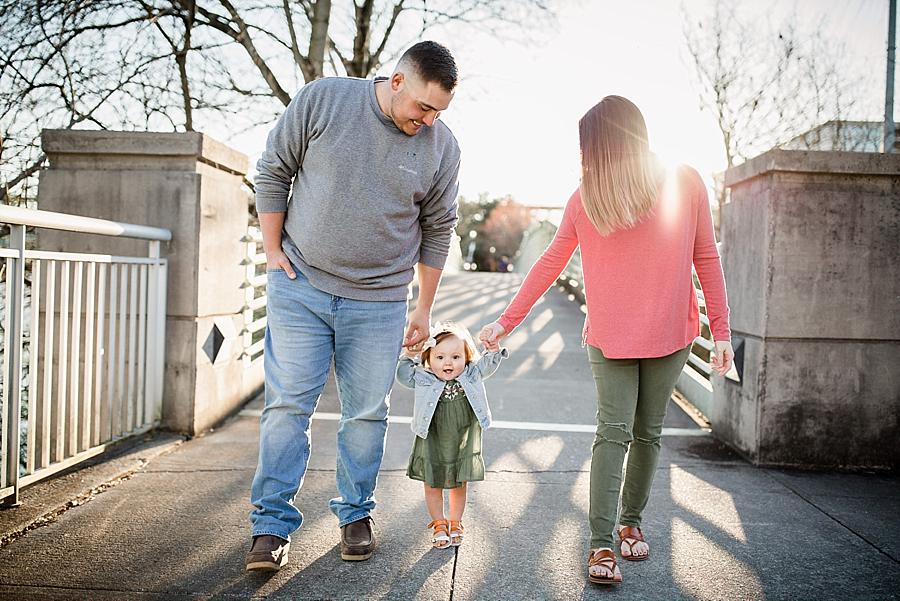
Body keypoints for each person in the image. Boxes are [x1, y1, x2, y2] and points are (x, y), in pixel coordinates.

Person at [479, 96, 733, 585]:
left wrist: (720, 330)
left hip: (671, 334)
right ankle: (599, 544)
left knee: (649, 431)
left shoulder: (685, 181)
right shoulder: (588, 197)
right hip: (611, 338)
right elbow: (551, 263)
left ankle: (631, 521)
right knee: (613, 432)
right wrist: (506, 322)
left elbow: (706, 257)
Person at [246, 41, 461, 572]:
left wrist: (423, 310)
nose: (429, 120)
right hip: (301, 288)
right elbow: (273, 170)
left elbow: (438, 228)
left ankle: (355, 514)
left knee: (366, 414)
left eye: (439, 111)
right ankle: (270, 527)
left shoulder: (442, 146)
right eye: (423, 107)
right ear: (396, 82)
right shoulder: (324, 101)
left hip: (381, 301)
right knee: (287, 408)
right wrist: (273, 253)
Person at [395, 322, 507, 549]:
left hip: (461, 438)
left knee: (458, 482)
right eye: (440, 357)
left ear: (466, 358)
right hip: (432, 436)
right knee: (432, 482)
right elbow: (402, 375)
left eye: (456, 357)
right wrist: (408, 354)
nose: (448, 362)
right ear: (428, 358)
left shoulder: (471, 374)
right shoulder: (425, 377)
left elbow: (488, 364)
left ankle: (455, 522)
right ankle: (438, 523)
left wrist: (493, 348)